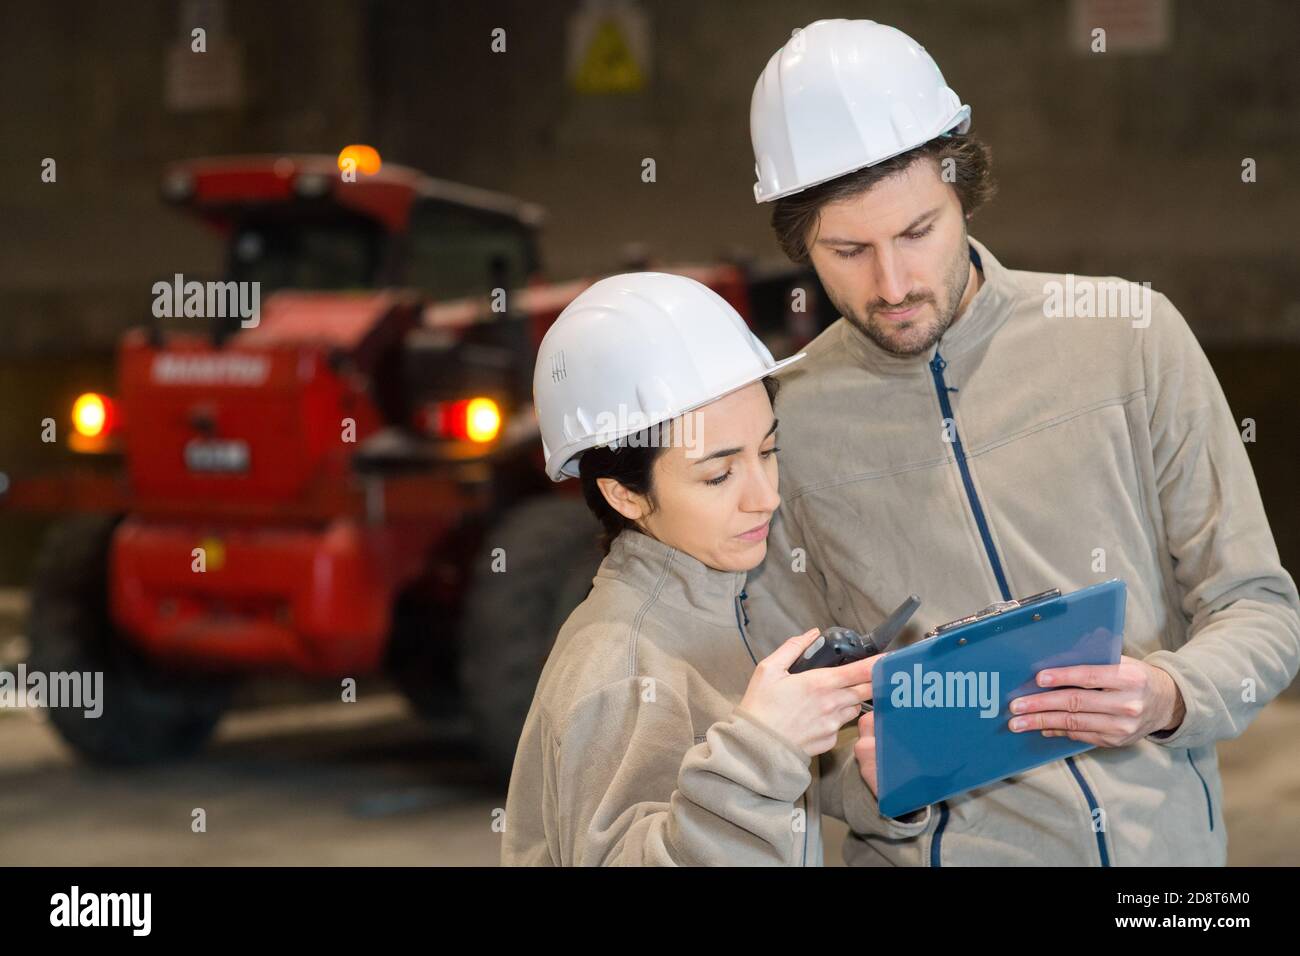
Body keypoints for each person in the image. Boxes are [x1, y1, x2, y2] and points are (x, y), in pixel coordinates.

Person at [741, 19, 1300, 866]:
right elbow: (780, 727)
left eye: (919, 231)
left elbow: (1261, 607)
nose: (892, 285)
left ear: (964, 187)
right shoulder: (782, 427)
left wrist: (1169, 694)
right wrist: (873, 786)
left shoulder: (1129, 337)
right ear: (799, 245)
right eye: (848, 251)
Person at [501, 272, 896, 866]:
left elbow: (741, 813)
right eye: (719, 475)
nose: (764, 496)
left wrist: (869, 786)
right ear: (625, 495)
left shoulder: (719, 607)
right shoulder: (624, 664)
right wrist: (764, 749)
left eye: (767, 452)